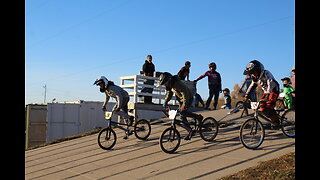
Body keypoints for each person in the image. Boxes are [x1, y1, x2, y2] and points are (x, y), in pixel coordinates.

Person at [156, 72, 203, 140]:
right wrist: (166, 101)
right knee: (182, 118)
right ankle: (190, 130)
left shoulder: (177, 84)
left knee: (183, 112)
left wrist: (184, 105)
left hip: (188, 99)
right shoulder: (170, 85)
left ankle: (198, 117)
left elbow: (185, 94)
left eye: (165, 83)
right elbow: (169, 94)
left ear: (169, 80)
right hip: (181, 100)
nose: (165, 85)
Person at [243, 60, 281, 128]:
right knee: (262, 107)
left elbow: (270, 84)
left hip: (273, 90)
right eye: (251, 74)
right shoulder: (255, 79)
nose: (253, 75)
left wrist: (267, 96)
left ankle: (276, 121)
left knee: (269, 105)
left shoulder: (266, 73)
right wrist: (247, 95)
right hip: (266, 92)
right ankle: (271, 118)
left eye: (254, 72)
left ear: (259, 70)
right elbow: (251, 86)